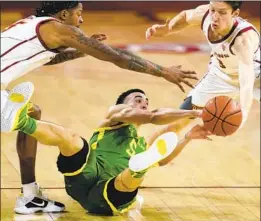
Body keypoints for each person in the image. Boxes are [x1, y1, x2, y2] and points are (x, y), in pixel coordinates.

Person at [1, 1, 198, 214]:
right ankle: (14, 118)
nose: (81, 20)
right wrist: (163, 71)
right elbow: (118, 57)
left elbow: (43, 59)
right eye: (79, 14)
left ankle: (30, 195)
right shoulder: (58, 28)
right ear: (64, 14)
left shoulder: (33, 26)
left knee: (32, 113)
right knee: (20, 117)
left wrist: (79, 51)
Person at [1, 84, 211, 215]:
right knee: (73, 139)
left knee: (132, 174)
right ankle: (18, 120)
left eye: (146, 101)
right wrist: (196, 113)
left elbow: (164, 155)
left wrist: (187, 137)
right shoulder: (115, 116)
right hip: (84, 174)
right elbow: (154, 117)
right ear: (122, 105)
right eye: (138, 99)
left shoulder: (141, 145)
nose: (144, 102)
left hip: (108, 195)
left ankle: (138, 168)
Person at [145, 1, 260, 134]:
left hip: (256, 77)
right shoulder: (205, 15)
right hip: (219, 76)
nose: (215, 17)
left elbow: (247, 83)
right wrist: (167, 29)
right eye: (212, 10)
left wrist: (243, 115)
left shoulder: (243, 40)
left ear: (235, 13)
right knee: (174, 125)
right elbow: (186, 16)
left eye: (222, 12)